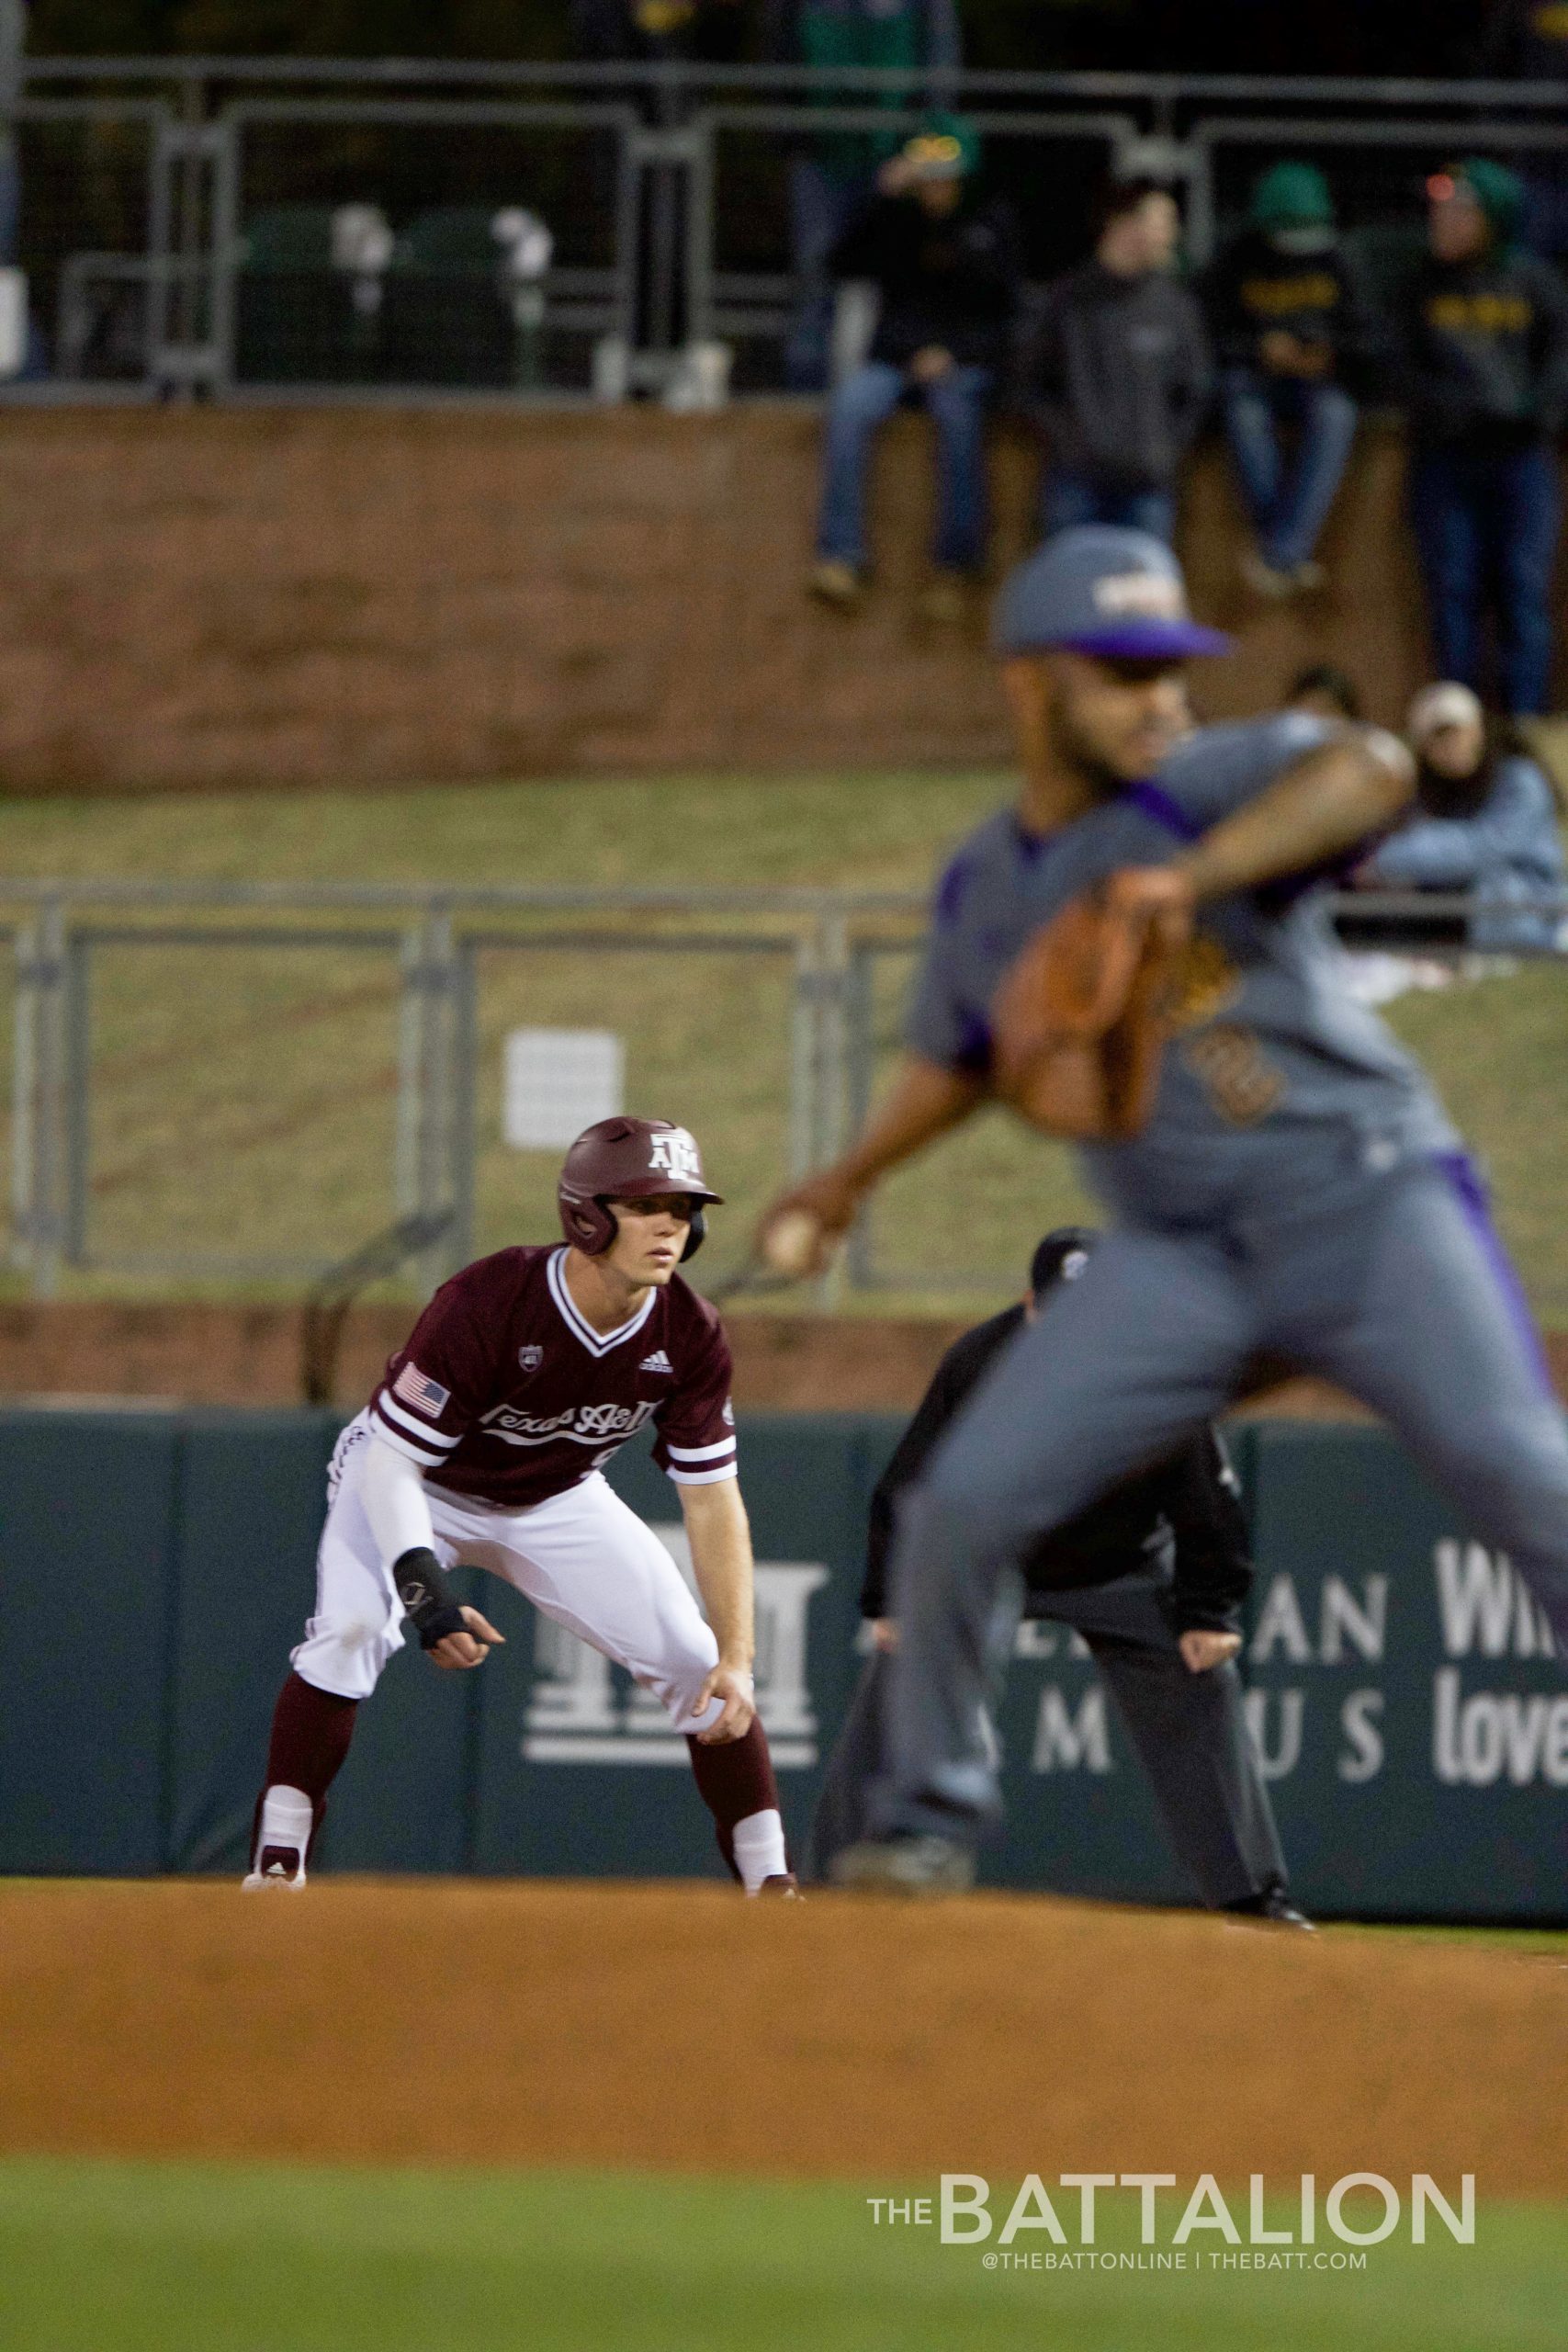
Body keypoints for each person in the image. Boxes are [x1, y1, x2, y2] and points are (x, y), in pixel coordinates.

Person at [756, 524, 1568, 1894]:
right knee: (963, 1502)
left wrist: (1192, 876)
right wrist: (844, 1181)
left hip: (1364, 1203)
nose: (1160, 698)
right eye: (1122, 671)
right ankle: (919, 1831)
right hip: (1180, 1252)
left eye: (1170, 668)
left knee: (1526, 1485)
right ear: (1028, 685)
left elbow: (1366, 772)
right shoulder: (991, 885)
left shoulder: (1200, 785)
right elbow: (955, 1058)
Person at [245, 1117, 798, 1897]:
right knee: (352, 1630)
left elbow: (711, 1500)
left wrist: (738, 1657)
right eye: (645, 1205)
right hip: (417, 1483)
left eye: (683, 1207)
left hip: (554, 1497)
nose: (670, 1223)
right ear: (587, 1216)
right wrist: (422, 1592)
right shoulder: (489, 1299)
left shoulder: (691, 1331)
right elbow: (396, 1460)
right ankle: (278, 1862)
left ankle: (771, 1881)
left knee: (694, 1665)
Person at [807, 1227, 1306, 1926]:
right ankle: (833, 1886)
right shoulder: (981, 1360)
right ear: (1029, 1304)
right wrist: (891, 1600)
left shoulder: (1156, 1363)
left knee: (1202, 1683)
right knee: (901, 1674)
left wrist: (1208, 1611)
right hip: (994, 1561)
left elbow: (1207, 1495)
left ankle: (1252, 1900)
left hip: (1124, 1566)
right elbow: (911, 1483)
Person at [808, 114, 1021, 618]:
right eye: (926, 177)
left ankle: (955, 563)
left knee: (958, 417)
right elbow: (836, 264)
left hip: (964, 362)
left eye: (945, 176)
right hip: (895, 359)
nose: (935, 189)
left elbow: (1007, 316)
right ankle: (842, 556)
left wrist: (953, 354)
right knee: (849, 407)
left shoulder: (991, 221)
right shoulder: (894, 219)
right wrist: (877, 197)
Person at [1396, 158, 1568, 718]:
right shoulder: (1418, 283)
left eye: (1459, 211)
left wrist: (1534, 410)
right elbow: (1395, 365)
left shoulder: (1535, 282)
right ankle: (1459, 731)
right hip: (1446, 459)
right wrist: (1449, 408)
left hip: (1521, 460)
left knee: (1523, 594)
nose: (1443, 221)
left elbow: (1560, 361)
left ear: (1492, 218)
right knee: (1452, 596)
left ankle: (1523, 731)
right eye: (1439, 210)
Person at [765, 0, 963, 393]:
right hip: (820, 157)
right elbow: (779, 57)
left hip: (897, 160)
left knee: (898, 279)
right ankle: (804, 396)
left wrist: (920, 154)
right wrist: (791, 142)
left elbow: (943, 79)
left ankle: (887, 394)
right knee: (814, 271)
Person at [1202, 162, 1378, 597]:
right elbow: (1207, 335)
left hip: (1318, 383)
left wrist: (1328, 354)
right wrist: (1259, 348)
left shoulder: (1339, 260)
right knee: (1241, 411)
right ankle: (1283, 549)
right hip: (1253, 381)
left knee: (1337, 413)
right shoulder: (1236, 260)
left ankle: (1279, 549)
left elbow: (1369, 340)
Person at [1026, 177, 1211, 546]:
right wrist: (1072, 443)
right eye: (1162, 223)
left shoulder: (1176, 306)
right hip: (1075, 484)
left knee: (1144, 600)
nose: (1171, 235)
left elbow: (1195, 390)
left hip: (1148, 488)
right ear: (1123, 224)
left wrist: (1163, 450)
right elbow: (1031, 383)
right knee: (1071, 595)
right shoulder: (1065, 302)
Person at [1346, 680, 1566, 955]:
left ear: (1478, 731)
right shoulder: (1429, 790)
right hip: (1455, 902)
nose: (1449, 746)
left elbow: (1483, 847)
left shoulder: (1521, 780)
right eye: (1437, 738)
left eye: (1456, 733)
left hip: (1528, 907)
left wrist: (1382, 859)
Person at [1284, 662, 1362, 723]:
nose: (1316, 718)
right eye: (1311, 708)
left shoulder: (1364, 739)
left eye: (1326, 709)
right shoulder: (1279, 735)